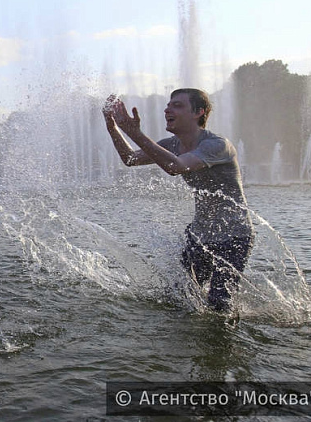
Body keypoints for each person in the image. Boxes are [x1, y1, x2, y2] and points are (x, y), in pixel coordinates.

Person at [102, 88, 254, 312]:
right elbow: (130, 159)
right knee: (179, 297)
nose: (167, 109)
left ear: (198, 112)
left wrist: (135, 133)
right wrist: (112, 127)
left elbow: (176, 167)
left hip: (234, 236)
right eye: (168, 105)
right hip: (200, 235)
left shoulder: (216, 145)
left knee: (219, 304)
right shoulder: (171, 144)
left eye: (177, 105)